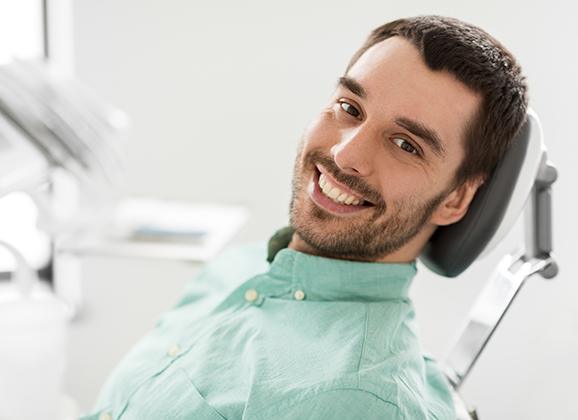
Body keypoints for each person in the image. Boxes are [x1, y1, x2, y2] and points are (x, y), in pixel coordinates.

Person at [80, 15, 527, 420]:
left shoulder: (358, 400)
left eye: (406, 145)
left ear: (456, 199)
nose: (345, 153)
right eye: (350, 108)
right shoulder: (239, 268)